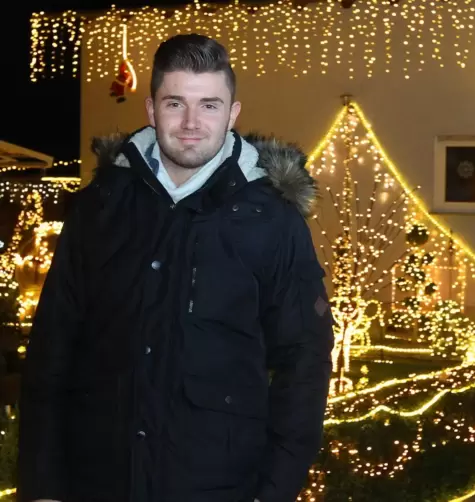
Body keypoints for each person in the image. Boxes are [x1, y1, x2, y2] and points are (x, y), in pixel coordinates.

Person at [18, 34, 334, 502]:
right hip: (99, 481)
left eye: (209, 105)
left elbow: (304, 364)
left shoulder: (273, 222)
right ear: (150, 109)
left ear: (232, 113)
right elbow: (52, 349)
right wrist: (42, 486)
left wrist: (275, 490)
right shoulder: (97, 209)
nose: (191, 123)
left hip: (219, 485)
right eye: (175, 103)